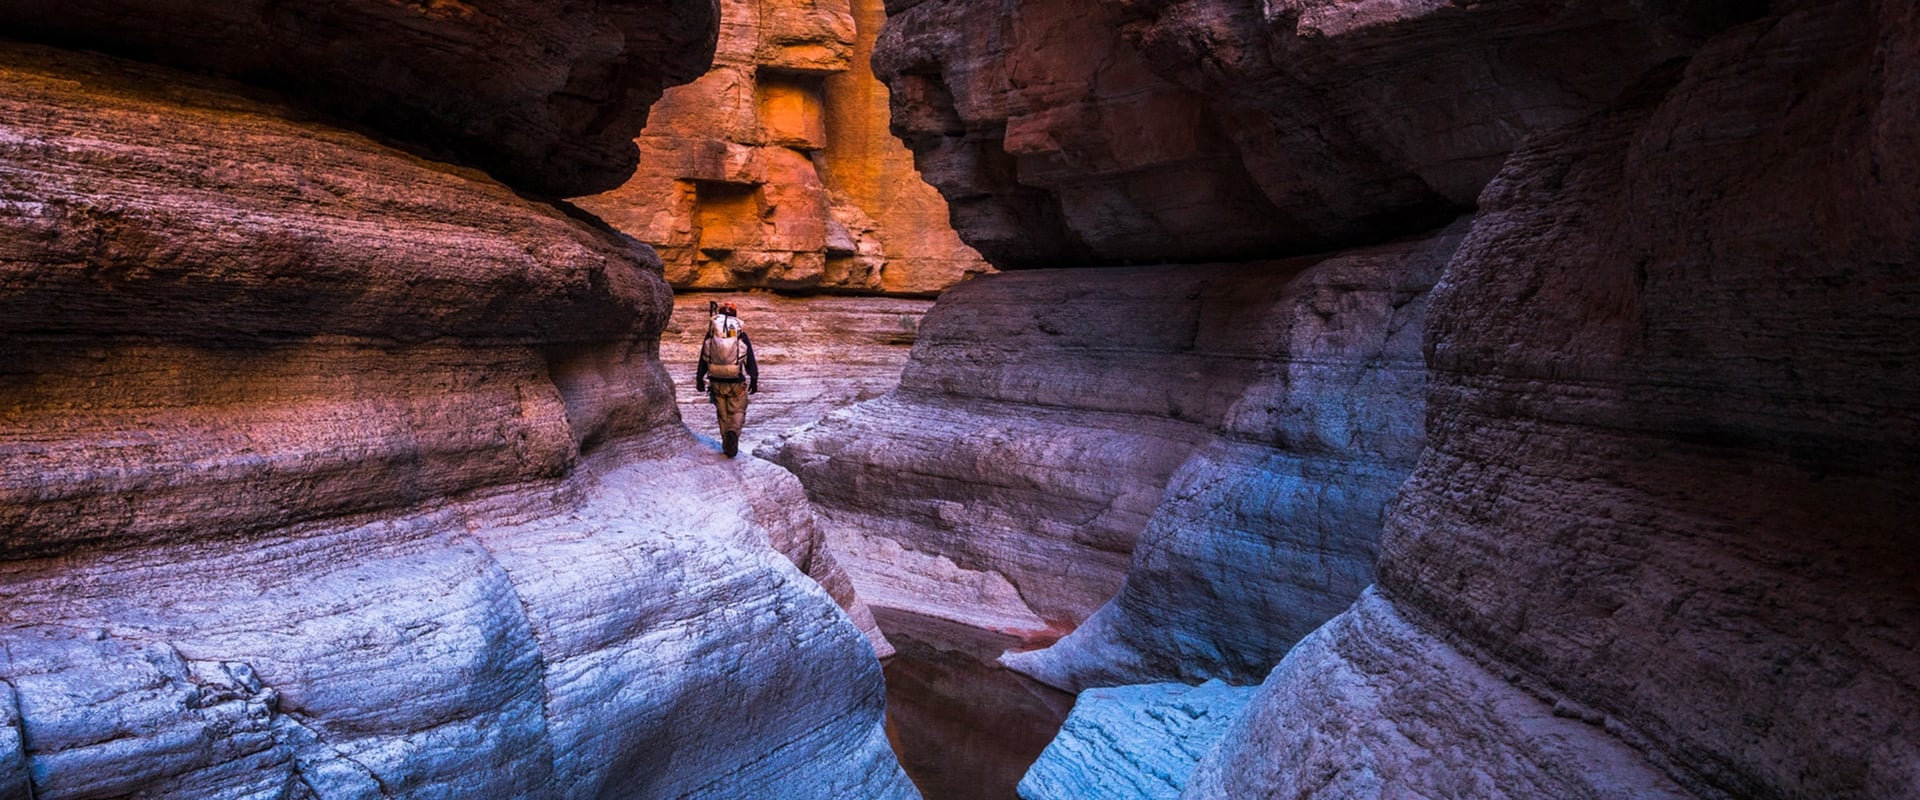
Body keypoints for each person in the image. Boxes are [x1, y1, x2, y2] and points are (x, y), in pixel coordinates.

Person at [694, 301, 759, 458]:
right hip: (736, 381)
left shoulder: (711, 333)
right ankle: (733, 433)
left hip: (716, 382)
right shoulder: (740, 333)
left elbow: (704, 356)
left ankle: (726, 445)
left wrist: (699, 378)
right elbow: (749, 357)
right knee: (737, 410)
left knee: (722, 415)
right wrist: (754, 377)